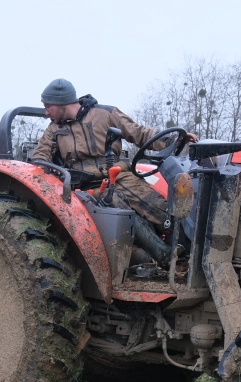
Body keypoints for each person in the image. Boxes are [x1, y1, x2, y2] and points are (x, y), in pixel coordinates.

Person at [31, 78, 198, 264]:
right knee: (115, 203)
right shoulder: (53, 130)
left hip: (119, 175)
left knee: (158, 206)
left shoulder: (106, 113)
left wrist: (173, 139)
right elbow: (40, 159)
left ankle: (191, 253)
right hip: (84, 186)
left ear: (62, 102)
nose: (46, 113)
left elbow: (139, 133)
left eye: (48, 107)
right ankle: (163, 255)